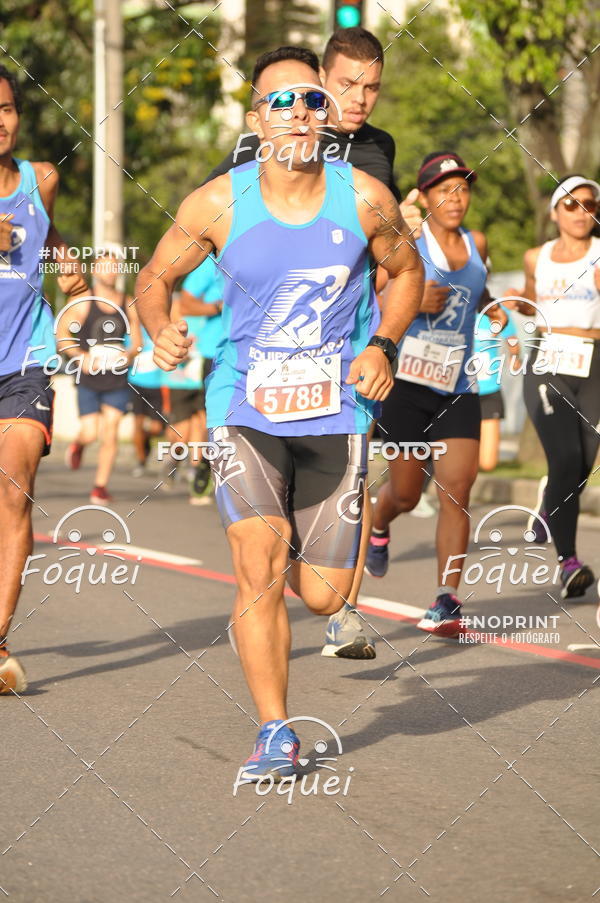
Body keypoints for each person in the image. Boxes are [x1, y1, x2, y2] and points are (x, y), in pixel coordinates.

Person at [135, 47, 423, 779]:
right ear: (257, 119)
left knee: (325, 597)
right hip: (243, 405)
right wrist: (157, 323)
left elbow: (408, 270)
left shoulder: (362, 197)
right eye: (282, 102)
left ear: (327, 114)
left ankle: (304, 540)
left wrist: (384, 342)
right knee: (256, 568)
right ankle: (274, 728)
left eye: (311, 102)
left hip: (336, 409)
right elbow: (154, 275)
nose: (299, 114)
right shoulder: (219, 202)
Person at [206, 28, 424, 659]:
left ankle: (337, 593)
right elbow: (221, 214)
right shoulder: (262, 143)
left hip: (347, 366)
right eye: (347, 85)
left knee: (321, 583)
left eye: (372, 87)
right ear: (319, 84)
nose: (359, 99)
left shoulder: (376, 154)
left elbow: (389, 255)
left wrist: (387, 317)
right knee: (263, 561)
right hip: (261, 368)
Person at [365, 151, 504, 638]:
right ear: (423, 198)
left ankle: (447, 599)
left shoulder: (477, 242)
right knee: (404, 492)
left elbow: (478, 285)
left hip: (457, 386)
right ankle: (380, 522)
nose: (455, 198)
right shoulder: (410, 240)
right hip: (406, 386)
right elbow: (373, 295)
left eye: (462, 189)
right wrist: (412, 299)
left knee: (457, 491)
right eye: (443, 190)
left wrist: (492, 308)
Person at [0, 65, 87, 693]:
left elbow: (46, 231)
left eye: (6, 109)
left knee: (14, 489)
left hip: (25, 358)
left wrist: (65, 261)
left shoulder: (41, 179)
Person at [504, 174, 600, 599]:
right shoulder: (535, 257)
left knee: (582, 465)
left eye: (590, 204)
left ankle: (548, 506)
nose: (582, 213)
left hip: (594, 362)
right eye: (572, 204)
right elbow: (531, 303)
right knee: (564, 459)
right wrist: (513, 304)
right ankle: (568, 562)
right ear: (555, 211)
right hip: (548, 361)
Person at [61, 249, 141, 503]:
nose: (111, 271)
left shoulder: (127, 303)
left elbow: (137, 343)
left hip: (116, 378)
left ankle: (100, 486)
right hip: (89, 378)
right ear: (95, 271)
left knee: (112, 431)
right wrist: (79, 356)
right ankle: (80, 444)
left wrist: (126, 356)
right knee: (90, 432)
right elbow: (62, 336)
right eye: (105, 267)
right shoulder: (84, 301)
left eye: (114, 266)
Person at [177, 257, 225, 504]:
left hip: (263, 350)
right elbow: (186, 304)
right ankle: (205, 466)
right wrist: (219, 307)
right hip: (216, 352)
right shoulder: (212, 263)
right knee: (214, 419)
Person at [473, 305, 520, 471]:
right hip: (459, 392)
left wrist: (514, 357)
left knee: (488, 463)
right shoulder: (456, 307)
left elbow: (512, 338)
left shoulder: (497, 310)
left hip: (488, 389)